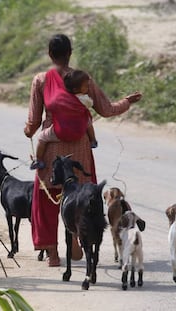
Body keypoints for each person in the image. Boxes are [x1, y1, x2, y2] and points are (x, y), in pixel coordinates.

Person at [24, 34, 142, 267]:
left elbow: (34, 121)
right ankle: (77, 238)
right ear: (70, 52)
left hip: (51, 151)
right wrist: (127, 101)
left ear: (50, 54)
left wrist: (29, 131)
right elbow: (107, 109)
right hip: (80, 149)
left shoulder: (40, 80)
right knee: (83, 197)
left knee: (46, 199)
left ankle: (53, 253)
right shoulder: (82, 79)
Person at [30, 69, 98, 170]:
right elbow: (90, 104)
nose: (88, 88)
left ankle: (38, 160)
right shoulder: (85, 99)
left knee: (42, 138)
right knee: (88, 122)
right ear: (76, 89)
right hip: (79, 128)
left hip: (60, 131)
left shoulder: (60, 98)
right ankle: (93, 140)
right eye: (86, 86)